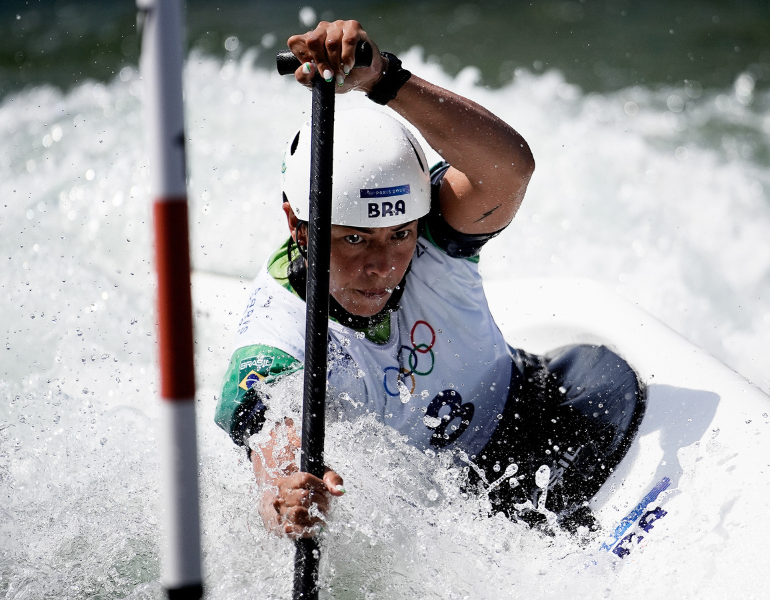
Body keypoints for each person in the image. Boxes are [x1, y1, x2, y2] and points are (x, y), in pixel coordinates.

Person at [214, 20, 643, 538]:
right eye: (354, 240)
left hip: (537, 411)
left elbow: (509, 170)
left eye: (399, 235)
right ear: (296, 226)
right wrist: (285, 494)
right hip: (450, 511)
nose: (384, 265)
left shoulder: (432, 228)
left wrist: (384, 80)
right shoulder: (275, 340)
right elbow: (274, 441)